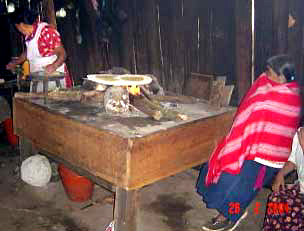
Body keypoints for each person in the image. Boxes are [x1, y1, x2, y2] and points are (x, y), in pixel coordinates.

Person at [196, 54, 304, 231]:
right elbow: (253, 108)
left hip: (267, 156)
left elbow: (274, 124)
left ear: (280, 75)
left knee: (239, 189)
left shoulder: (288, 98)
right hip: (250, 146)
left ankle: (229, 216)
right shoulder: (271, 86)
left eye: (269, 72)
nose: (265, 74)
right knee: (226, 179)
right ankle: (233, 211)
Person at [6, 8, 73, 92]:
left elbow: (62, 53)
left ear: (21, 24)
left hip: (54, 79)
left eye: (17, 27)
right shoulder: (29, 36)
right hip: (38, 79)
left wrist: (54, 65)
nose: (17, 30)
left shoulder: (46, 32)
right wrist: (15, 62)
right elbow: (29, 52)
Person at [263, 127, 304, 231]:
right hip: (301, 187)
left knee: (291, 210)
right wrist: (280, 175)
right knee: (276, 198)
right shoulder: (300, 133)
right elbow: (293, 161)